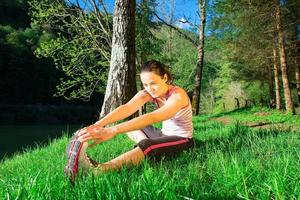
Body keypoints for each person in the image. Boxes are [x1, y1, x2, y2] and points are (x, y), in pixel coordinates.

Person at [75, 60, 194, 174]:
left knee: (148, 146)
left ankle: (98, 170)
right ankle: (143, 151)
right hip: (163, 134)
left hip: (182, 139)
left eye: (153, 83)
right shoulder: (149, 93)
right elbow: (127, 108)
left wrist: (111, 130)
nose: (149, 88)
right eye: (145, 85)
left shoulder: (178, 96)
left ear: (165, 78)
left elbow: (153, 117)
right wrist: (98, 124)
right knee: (131, 126)